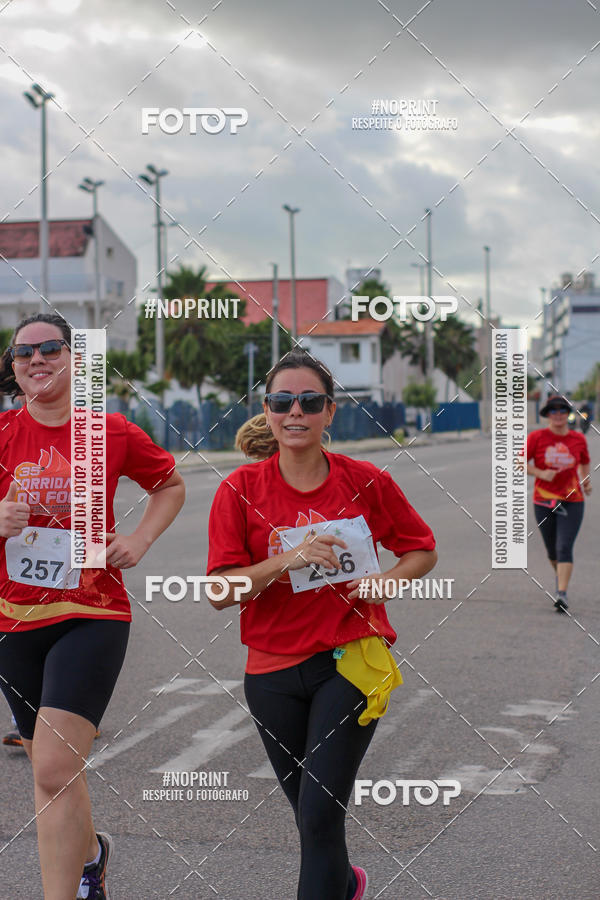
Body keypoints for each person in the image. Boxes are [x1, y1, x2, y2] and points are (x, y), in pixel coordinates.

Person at [207, 350, 437, 900]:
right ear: (267, 410)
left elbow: (421, 550)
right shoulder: (239, 490)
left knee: (317, 813)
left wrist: (389, 581)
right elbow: (219, 592)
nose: (296, 412)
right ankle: (348, 885)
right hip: (270, 671)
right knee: (314, 821)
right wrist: (287, 560)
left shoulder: (366, 480)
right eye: (283, 402)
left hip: (351, 659)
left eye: (310, 402)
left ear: (329, 412)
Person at [0, 313, 185, 899]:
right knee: (54, 766)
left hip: (92, 610)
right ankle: (92, 857)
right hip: (13, 618)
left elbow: (169, 485)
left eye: (49, 348)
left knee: (52, 769)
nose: (36, 359)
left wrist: (139, 539)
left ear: (75, 360)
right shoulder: (3, 434)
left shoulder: (112, 432)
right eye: (22, 352)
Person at [527, 393, 591, 612]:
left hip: (572, 500)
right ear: (547, 415)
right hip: (543, 501)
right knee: (552, 550)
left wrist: (586, 481)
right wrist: (540, 473)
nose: (558, 414)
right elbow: (519, 462)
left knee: (564, 546)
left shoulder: (578, 439)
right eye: (553, 410)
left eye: (562, 410)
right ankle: (560, 576)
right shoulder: (536, 437)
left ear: (567, 414)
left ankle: (561, 593)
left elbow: (584, 462)